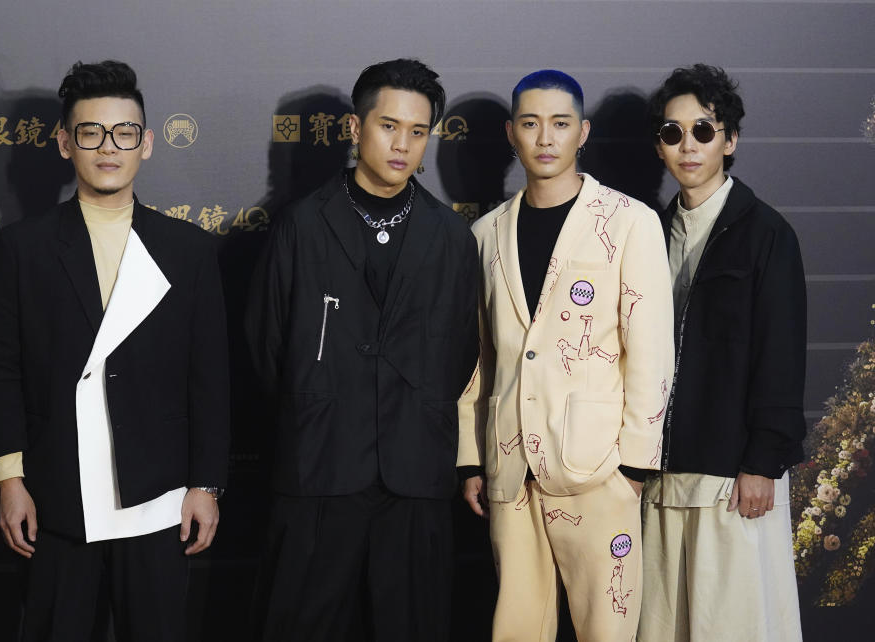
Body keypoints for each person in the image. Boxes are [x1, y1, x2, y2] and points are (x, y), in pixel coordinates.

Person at [0, 60, 231, 642]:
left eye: (123, 134)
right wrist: (9, 480)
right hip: (57, 493)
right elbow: (0, 372)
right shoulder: (24, 249)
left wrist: (206, 484)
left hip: (160, 495)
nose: (108, 148)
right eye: (91, 133)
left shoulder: (188, 250)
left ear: (146, 143)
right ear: (65, 143)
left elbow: (210, 379)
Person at [246, 58, 478, 642]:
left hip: (414, 476)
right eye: (388, 126)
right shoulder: (300, 224)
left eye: (418, 132)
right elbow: (265, 347)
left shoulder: (450, 236)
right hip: (319, 469)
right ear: (354, 129)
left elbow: (461, 352)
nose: (403, 145)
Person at [457, 69, 674, 641]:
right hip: (510, 464)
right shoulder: (485, 234)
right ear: (511, 133)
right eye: (531, 124)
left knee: (608, 625)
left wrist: (635, 464)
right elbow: (477, 357)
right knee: (516, 625)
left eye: (560, 124)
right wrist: (472, 457)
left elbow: (651, 349)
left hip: (598, 464)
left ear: (583, 132)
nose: (545, 138)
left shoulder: (629, 222)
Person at [638, 63, 806, 642]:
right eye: (673, 132)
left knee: (732, 624)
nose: (688, 146)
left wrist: (762, 460)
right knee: (665, 625)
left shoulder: (767, 234)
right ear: (659, 144)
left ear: (729, 140)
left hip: (735, 476)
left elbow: (781, 356)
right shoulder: (645, 233)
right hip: (657, 473)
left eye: (704, 131)